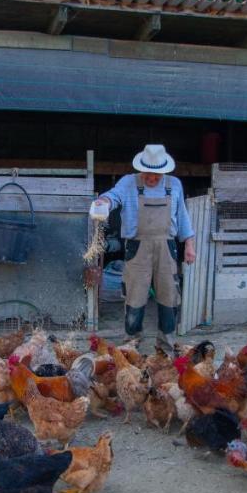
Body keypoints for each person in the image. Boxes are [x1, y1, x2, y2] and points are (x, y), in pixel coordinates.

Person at [92, 144, 196, 355]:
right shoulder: (128, 183)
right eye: (148, 173)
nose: (152, 178)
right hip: (137, 247)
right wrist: (103, 201)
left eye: (157, 174)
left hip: (167, 247)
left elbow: (183, 217)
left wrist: (189, 244)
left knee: (168, 296)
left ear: (164, 170)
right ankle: (132, 344)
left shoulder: (174, 184)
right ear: (141, 169)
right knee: (134, 296)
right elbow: (113, 196)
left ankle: (165, 345)